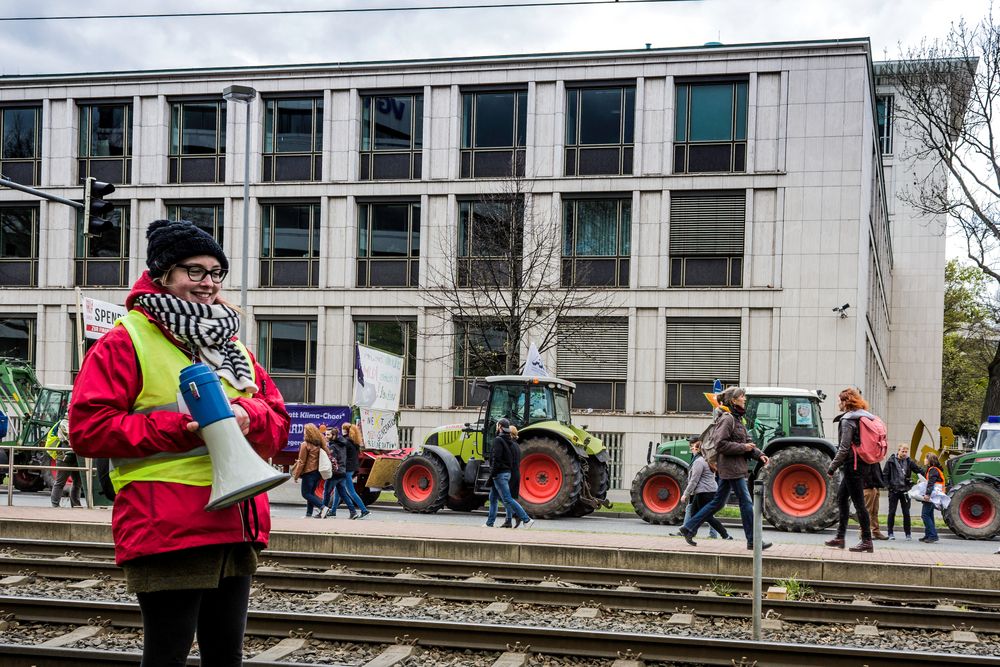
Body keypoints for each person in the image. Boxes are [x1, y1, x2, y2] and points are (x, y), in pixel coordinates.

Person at [68, 218, 290, 667]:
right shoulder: (126, 340)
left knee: (225, 655)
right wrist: (179, 427)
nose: (208, 283)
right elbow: (87, 429)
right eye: (195, 271)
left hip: (234, 519)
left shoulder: (230, 345)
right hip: (167, 520)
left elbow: (279, 422)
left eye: (216, 272)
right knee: (167, 654)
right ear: (163, 274)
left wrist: (250, 416)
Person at [678, 387, 771, 551]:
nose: (744, 399)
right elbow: (720, 444)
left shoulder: (738, 420)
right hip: (731, 468)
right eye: (742, 397)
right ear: (734, 400)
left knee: (717, 502)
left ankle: (689, 528)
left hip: (733, 468)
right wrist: (743, 447)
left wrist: (759, 454)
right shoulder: (727, 419)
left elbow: (748, 443)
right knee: (746, 502)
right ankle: (753, 541)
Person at [825, 387, 874, 553]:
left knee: (859, 504)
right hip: (862, 464)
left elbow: (844, 448)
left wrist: (831, 467)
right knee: (842, 497)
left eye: (839, 400)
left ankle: (867, 540)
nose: (838, 403)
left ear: (846, 402)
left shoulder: (847, 420)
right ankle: (840, 537)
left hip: (853, 466)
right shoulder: (861, 416)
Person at [484, 418, 534, 528]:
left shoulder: (498, 440)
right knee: (492, 497)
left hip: (499, 474)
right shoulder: (511, 442)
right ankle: (490, 523)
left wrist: (492, 474)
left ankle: (526, 519)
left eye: (498, 426)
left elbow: (496, 458)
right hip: (506, 473)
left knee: (507, 498)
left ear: (500, 427)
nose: (497, 428)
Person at [680, 438, 732, 541]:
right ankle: (689, 533)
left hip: (705, 492)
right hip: (705, 491)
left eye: (693, 448)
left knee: (707, 516)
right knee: (694, 514)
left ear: (699, 450)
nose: (691, 449)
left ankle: (725, 535)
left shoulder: (699, 462)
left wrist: (685, 494)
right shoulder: (706, 460)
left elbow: (694, 480)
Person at [322, 422, 368, 519]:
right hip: (352, 468)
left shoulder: (346, 441)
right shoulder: (354, 441)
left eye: (342, 428)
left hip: (347, 468)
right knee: (338, 490)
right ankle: (333, 511)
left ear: (345, 430)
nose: (341, 431)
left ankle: (364, 510)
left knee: (351, 491)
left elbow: (340, 451)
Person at [883, 443, 921, 540]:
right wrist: (888, 487)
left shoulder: (909, 461)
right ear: (898, 450)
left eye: (906, 451)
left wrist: (927, 475)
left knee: (906, 513)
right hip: (894, 490)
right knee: (892, 512)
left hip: (905, 491)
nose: (904, 453)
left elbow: (918, 470)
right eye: (902, 451)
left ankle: (908, 534)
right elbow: (885, 475)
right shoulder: (891, 461)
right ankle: (890, 533)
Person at [293, 423, 332, 519]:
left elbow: (301, 462)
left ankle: (323, 508)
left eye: (305, 431)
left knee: (305, 494)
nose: (304, 433)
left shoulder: (305, 445)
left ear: (308, 433)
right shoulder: (319, 445)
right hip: (317, 473)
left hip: (308, 473)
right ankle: (309, 514)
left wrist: (296, 475)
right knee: (311, 493)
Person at [46, 419, 83, 508]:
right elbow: (70, 438)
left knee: (77, 482)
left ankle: (76, 504)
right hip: (64, 456)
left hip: (76, 455)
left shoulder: (78, 421)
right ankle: (55, 504)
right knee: (60, 481)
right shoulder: (64, 423)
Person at [861, 457, 888, 540]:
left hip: (875, 487)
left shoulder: (874, 459)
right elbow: (865, 473)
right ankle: (864, 532)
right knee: (867, 511)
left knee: (874, 511)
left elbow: (877, 473)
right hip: (868, 487)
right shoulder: (866, 457)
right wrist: (871, 485)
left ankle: (876, 531)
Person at [919, 453, 944, 544]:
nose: (924, 460)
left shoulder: (933, 470)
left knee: (925, 515)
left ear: (930, 460)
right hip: (935, 495)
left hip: (932, 495)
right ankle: (928, 535)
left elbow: (931, 483)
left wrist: (927, 494)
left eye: (926, 458)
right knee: (929, 515)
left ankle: (933, 535)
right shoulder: (934, 469)